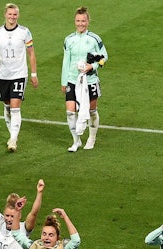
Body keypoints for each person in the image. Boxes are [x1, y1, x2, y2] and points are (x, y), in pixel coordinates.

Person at [0, 3, 38, 152]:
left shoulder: (24, 32)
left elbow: (31, 53)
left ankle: (13, 140)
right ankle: (12, 135)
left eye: (15, 14)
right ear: (5, 15)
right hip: (3, 75)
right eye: (10, 14)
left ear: (18, 16)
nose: (12, 17)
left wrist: (33, 74)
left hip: (19, 74)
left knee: (15, 106)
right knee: (7, 106)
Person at [61, 6, 107, 152]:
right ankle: (76, 141)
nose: (80, 24)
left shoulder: (94, 39)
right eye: (78, 21)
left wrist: (91, 66)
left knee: (92, 111)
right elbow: (65, 61)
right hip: (72, 80)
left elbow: (104, 58)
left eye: (83, 21)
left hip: (90, 80)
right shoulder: (69, 40)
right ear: (75, 21)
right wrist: (64, 82)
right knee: (70, 112)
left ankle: (92, 138)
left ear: (88, 22)